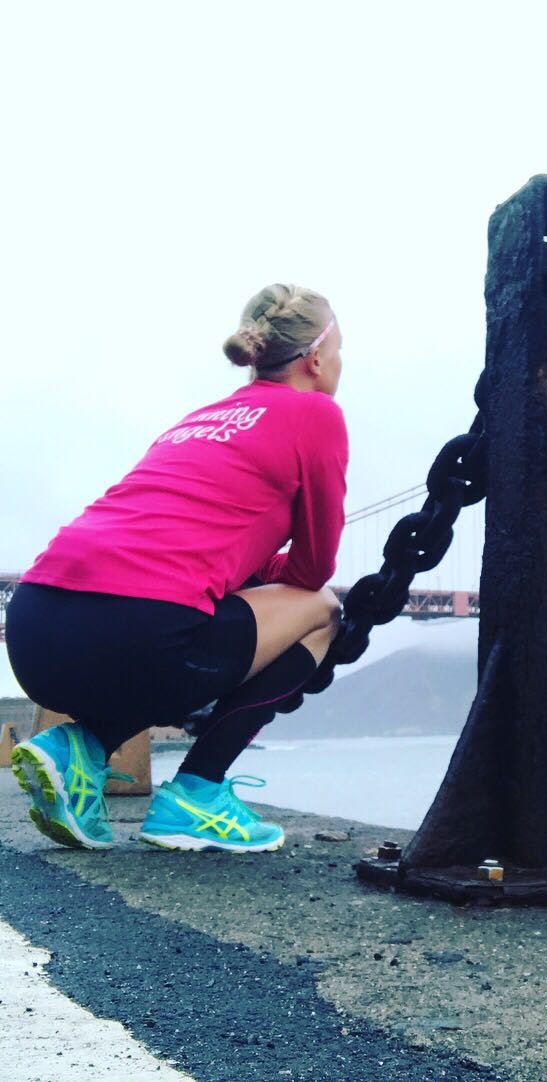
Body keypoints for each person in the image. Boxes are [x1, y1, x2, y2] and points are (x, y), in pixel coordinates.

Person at [6, 284, 347, 853]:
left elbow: (200, 546)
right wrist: (284, 570)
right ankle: (197, 794)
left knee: (176, 629)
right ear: (316, 357)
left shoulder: (205, 417)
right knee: (323, 612)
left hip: (33, 627)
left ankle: (79, 751)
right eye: (340, 351)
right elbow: (312, 572)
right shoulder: (317, 414)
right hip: (141, 633)